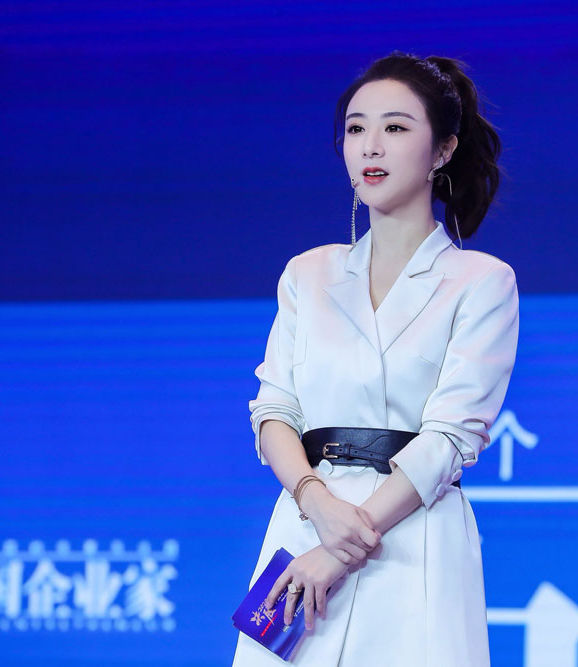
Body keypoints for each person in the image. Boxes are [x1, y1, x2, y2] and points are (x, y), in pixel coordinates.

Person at [232, 51, 519, 666]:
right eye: (356, 128)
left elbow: (451, 436)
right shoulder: (308, 274)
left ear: (443, 149)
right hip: (304, 525)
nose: (371, 146)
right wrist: (316, 504)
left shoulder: (481, 281)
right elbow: (274, 411)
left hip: (412, 535)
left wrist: (338, 549)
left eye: (395, 127)